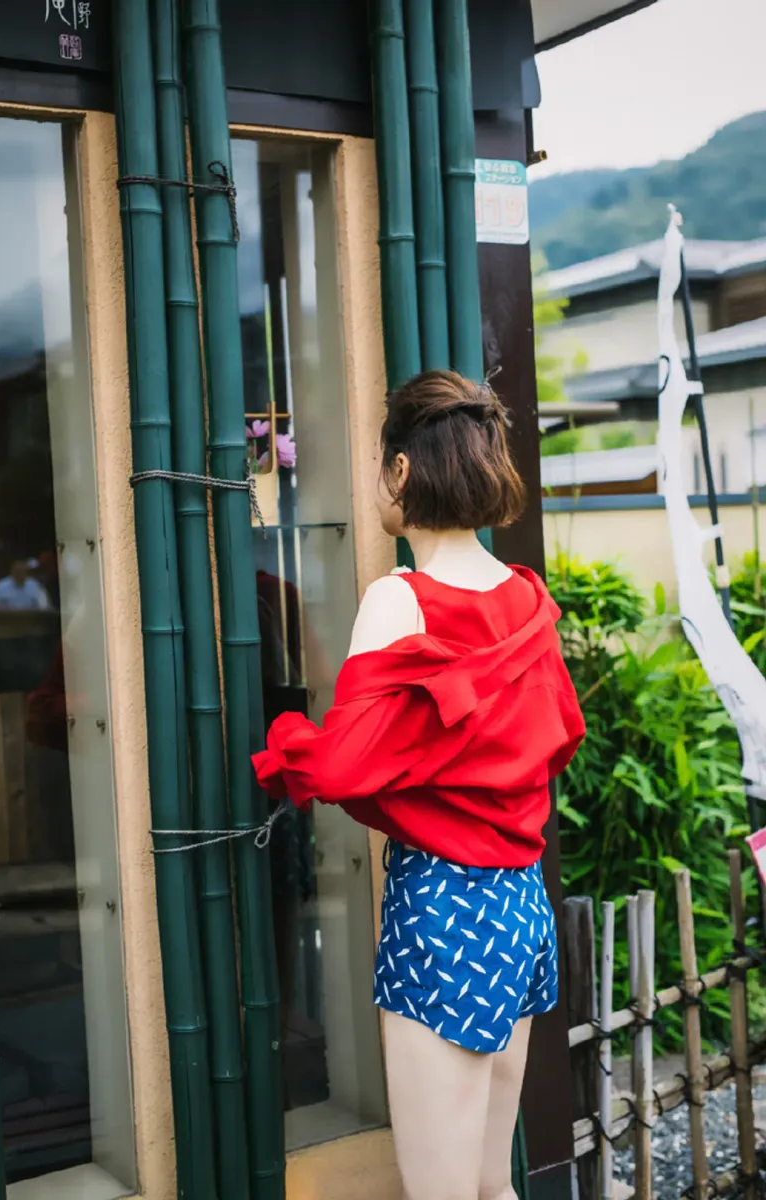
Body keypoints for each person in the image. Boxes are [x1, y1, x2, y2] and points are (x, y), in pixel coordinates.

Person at [253, 369, 585, 1200]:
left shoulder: (399, 599)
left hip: (443, 909)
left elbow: (340, 764)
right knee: (493, 1186)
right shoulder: (527, 598)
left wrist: (284, 743)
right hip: (520, 907)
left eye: (379, 463)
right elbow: (557, 739)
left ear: (400, 470)